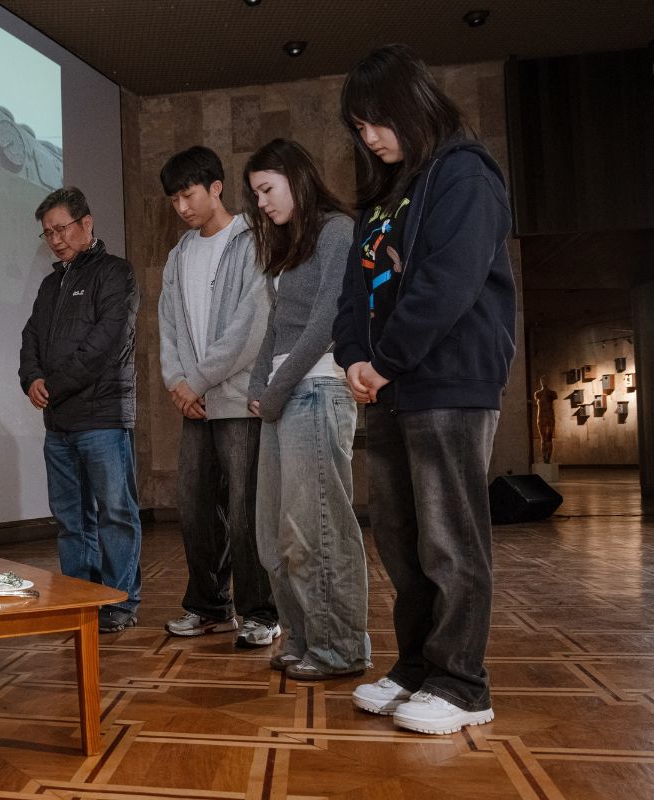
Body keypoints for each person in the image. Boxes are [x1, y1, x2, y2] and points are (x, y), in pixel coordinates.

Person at [333, 44, 516, 734]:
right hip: (390, 386)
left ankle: (463, 683)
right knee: (403, 543)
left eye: (376, 122)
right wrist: (355, 357)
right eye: (359, 128)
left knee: (450, 540)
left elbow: (448, 281)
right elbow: (355, 291)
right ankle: (416, 666)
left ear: (412, 106)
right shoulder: (387, 194)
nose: (369, 138)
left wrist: (386, 360)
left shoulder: (464, 173)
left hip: (447, 381)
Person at [243, 139, 368, 680]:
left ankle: (339, 648)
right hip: (284, 393)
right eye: (256, 194)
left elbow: (325, 324)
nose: (262, 203)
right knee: (274, 534)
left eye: (267, 189)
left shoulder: (337, 231)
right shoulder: (289, 243)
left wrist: (273, 391)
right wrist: (259, 383)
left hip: (316, 389)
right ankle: (302, 637)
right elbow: (277, 325)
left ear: (296, 177)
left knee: (317, 527)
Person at [156, 146, 279, 648]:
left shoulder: (253, 240)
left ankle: (261, 612)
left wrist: (197, 381)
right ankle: (209, 608)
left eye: (188, 195)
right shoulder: (179, 254)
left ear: (216, 188)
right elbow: (167, 324)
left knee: (247, 509)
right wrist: (176, 383)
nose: (182, 207)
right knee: (195, 507)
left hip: (237, 398)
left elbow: (251, 326)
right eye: (174, 200)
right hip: (195, 403)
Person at [19, 187, 142, 633]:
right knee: (72, 520)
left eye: (61, 229)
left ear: (86, 223)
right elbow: (31, 338)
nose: (55, 240)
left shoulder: (116, 273)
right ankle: (80, 599)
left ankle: (120, 602)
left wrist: (53, 385)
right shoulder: (50, 284)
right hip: (59, 423)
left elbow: (105, 344)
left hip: (103, 417)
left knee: (115, 514)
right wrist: (31, 378)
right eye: (47, 233)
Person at [534, 376, 557, 463]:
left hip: (550, 417)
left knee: (549, 438)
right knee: (543, 439)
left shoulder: (552, 393)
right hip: (540, 417)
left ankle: (548, 458)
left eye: (545, 380)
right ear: (540, 382)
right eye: (542, 380)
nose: (543, 382)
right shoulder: (537, 393)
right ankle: (544, 458)